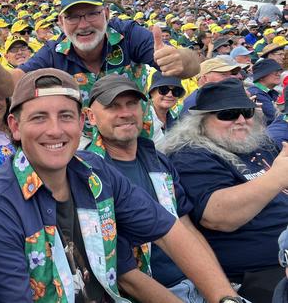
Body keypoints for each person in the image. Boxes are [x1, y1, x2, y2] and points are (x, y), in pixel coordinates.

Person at [0, 68, 241, 303]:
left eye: (65, 116)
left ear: (80, 122)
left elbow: (169, 230)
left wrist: (226, 297)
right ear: (15, 127)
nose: (55, 130)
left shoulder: (96, 171)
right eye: (39, 117)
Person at [0, 0, 199, 140]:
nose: (83, 25)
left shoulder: (129, 34)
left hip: (141, 134)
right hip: (87, 144)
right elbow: (11, 84)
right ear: (61, 21)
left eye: (91, 13)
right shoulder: (53, 53)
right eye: (73, 16)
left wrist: (181, 59)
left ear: (106, 14)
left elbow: (192, 66)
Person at [86, 75, 230, 302]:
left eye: (132, 103)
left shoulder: (158, 161)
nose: (125, 113)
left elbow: (186, 227)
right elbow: (124, 273)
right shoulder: (90, 175)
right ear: (90, 117)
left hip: (197, 285)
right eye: (113, 106)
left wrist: (222, 294)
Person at [162, 78, 288, 302]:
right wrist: (277, 177)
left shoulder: (262, 144)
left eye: (246, 112)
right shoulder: (191, 154)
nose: (241, 120)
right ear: (201, 121)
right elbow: (219, 216)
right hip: (259, 274)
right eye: (227, 114)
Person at [147, 71, 185, 144]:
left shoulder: (177, 119)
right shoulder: (142, 118)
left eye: (176, 91)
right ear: (152, 92)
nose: (170, 95)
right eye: (163, 90)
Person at [249, 58, 283, 124]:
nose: (278, 74)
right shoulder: (256, 94)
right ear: (261, 76)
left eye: (279, 71)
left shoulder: (272, 92)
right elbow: (274, 116)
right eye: (274, 72)